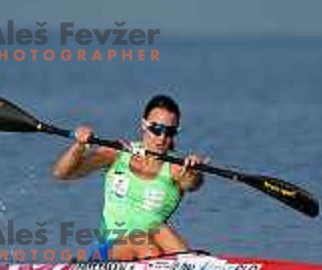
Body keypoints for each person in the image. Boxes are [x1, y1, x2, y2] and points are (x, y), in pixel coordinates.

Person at [51, 95, 207, 261]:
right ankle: (173, 268)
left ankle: (193, 265)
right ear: (143, 125)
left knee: (160, 230)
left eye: (169, 132)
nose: (162, 138)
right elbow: (61, 173)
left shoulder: (177, 168)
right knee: (142, 242)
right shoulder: (116, 153)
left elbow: (192, 184)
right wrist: (79, 146)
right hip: (106, 253)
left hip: (152, 251)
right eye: (156, 129)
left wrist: (194, 171)